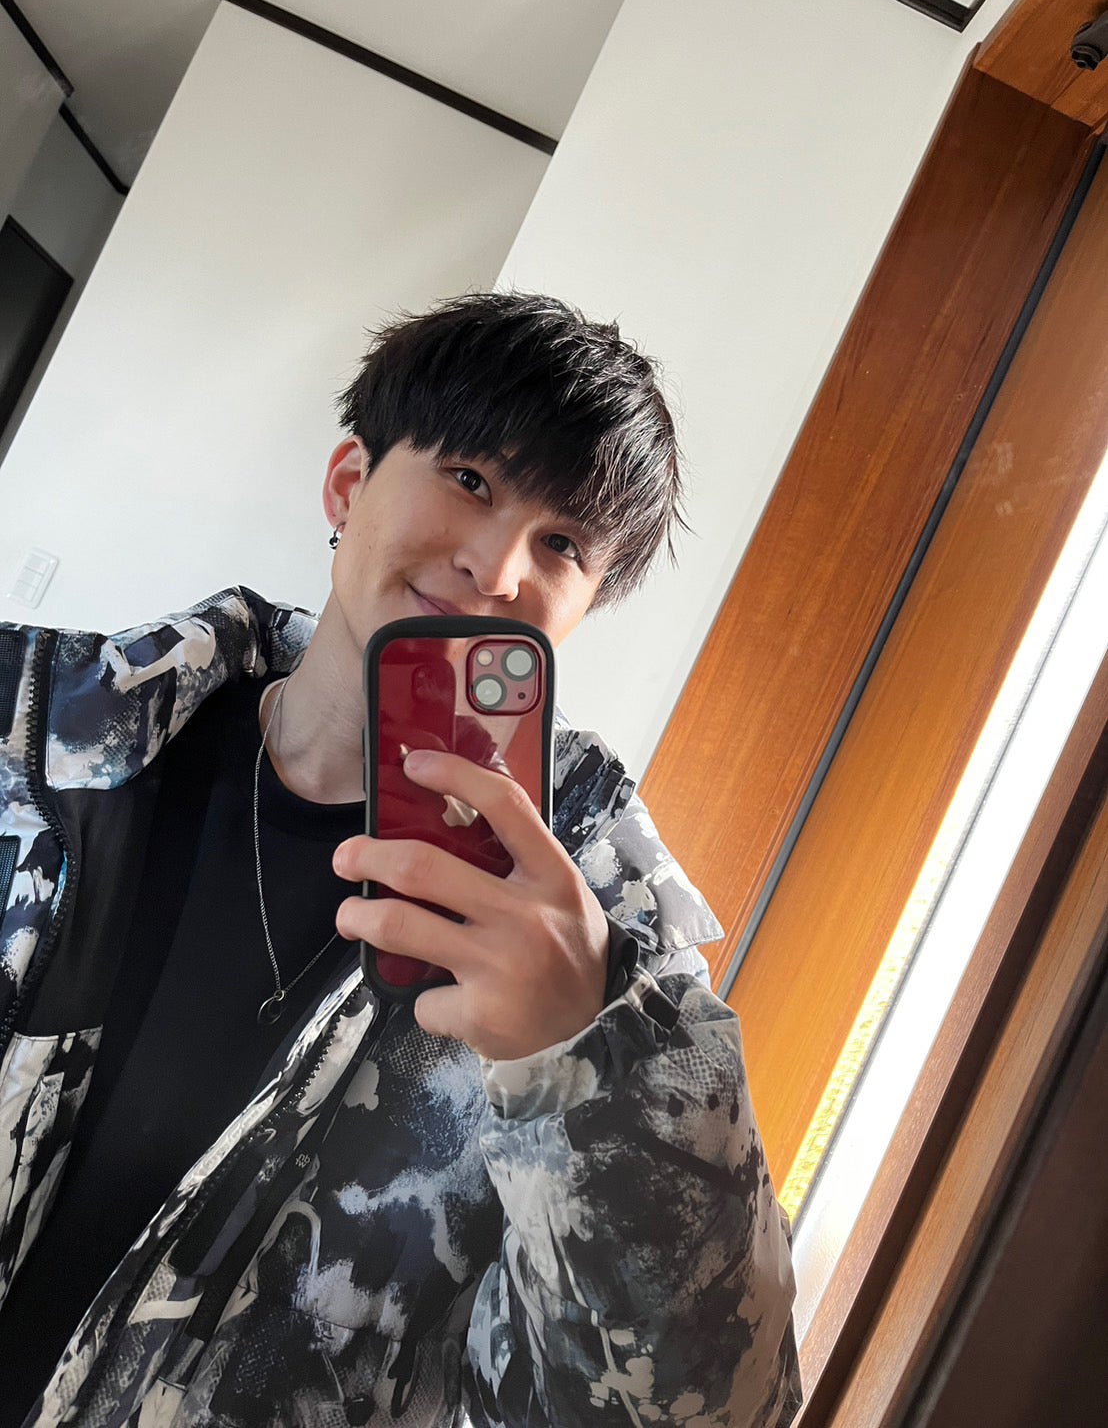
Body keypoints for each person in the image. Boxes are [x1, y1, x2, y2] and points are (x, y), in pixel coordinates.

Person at [0, 292, 801, 1426]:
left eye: (561, 545)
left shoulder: (603, 937)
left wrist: (582, 1062)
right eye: (469, 479)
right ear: (348, 485)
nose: (496, 567)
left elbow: (712, 1410)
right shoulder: (36, 735)